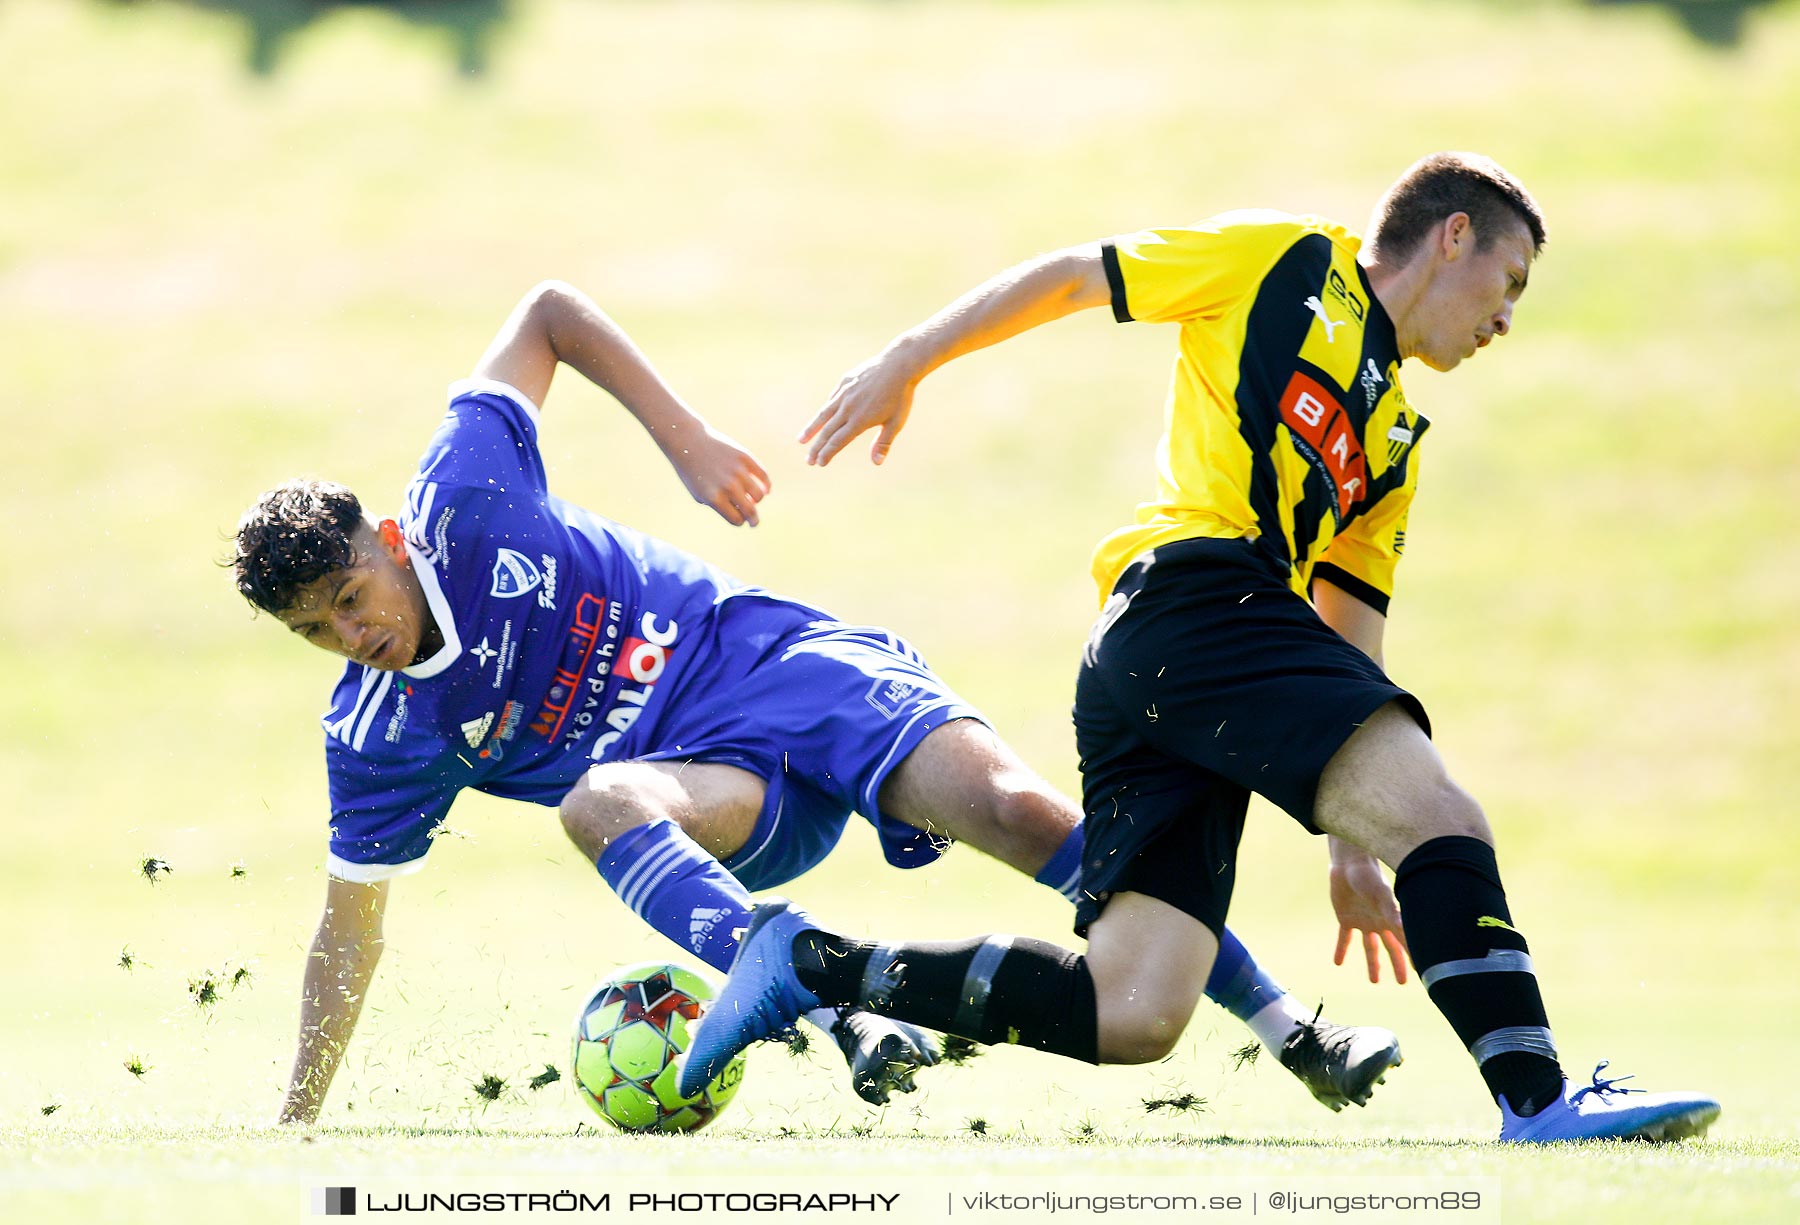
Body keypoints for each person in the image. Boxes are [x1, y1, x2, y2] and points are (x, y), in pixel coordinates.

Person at [679, 154, 1721, 1143]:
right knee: (1446, 820)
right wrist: (912, 357)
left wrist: (1352, 844)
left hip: (1169, 660)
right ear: (1454, 235)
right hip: (1193, 599)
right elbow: (1076, 278)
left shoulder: (1396, 437)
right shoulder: (1290, 262)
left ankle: (810, 963)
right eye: (1511, 281)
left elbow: (1350, 621)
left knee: (1134, 1008)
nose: (1506, 317)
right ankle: (1539, 1098)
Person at [234, 281, 1407, 1126]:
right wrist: (297, 1122)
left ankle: (1294, 1030)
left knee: (1020, 813)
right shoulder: (379, 735)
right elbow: (351, 928)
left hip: (773, 664)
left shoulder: (464, 490)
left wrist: (683, 437)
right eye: (316, 633)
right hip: (719, 796)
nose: (353, 635)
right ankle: (814, 988)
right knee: (595, 798)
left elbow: (546, 310)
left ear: (386, 541)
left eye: (349, 594)